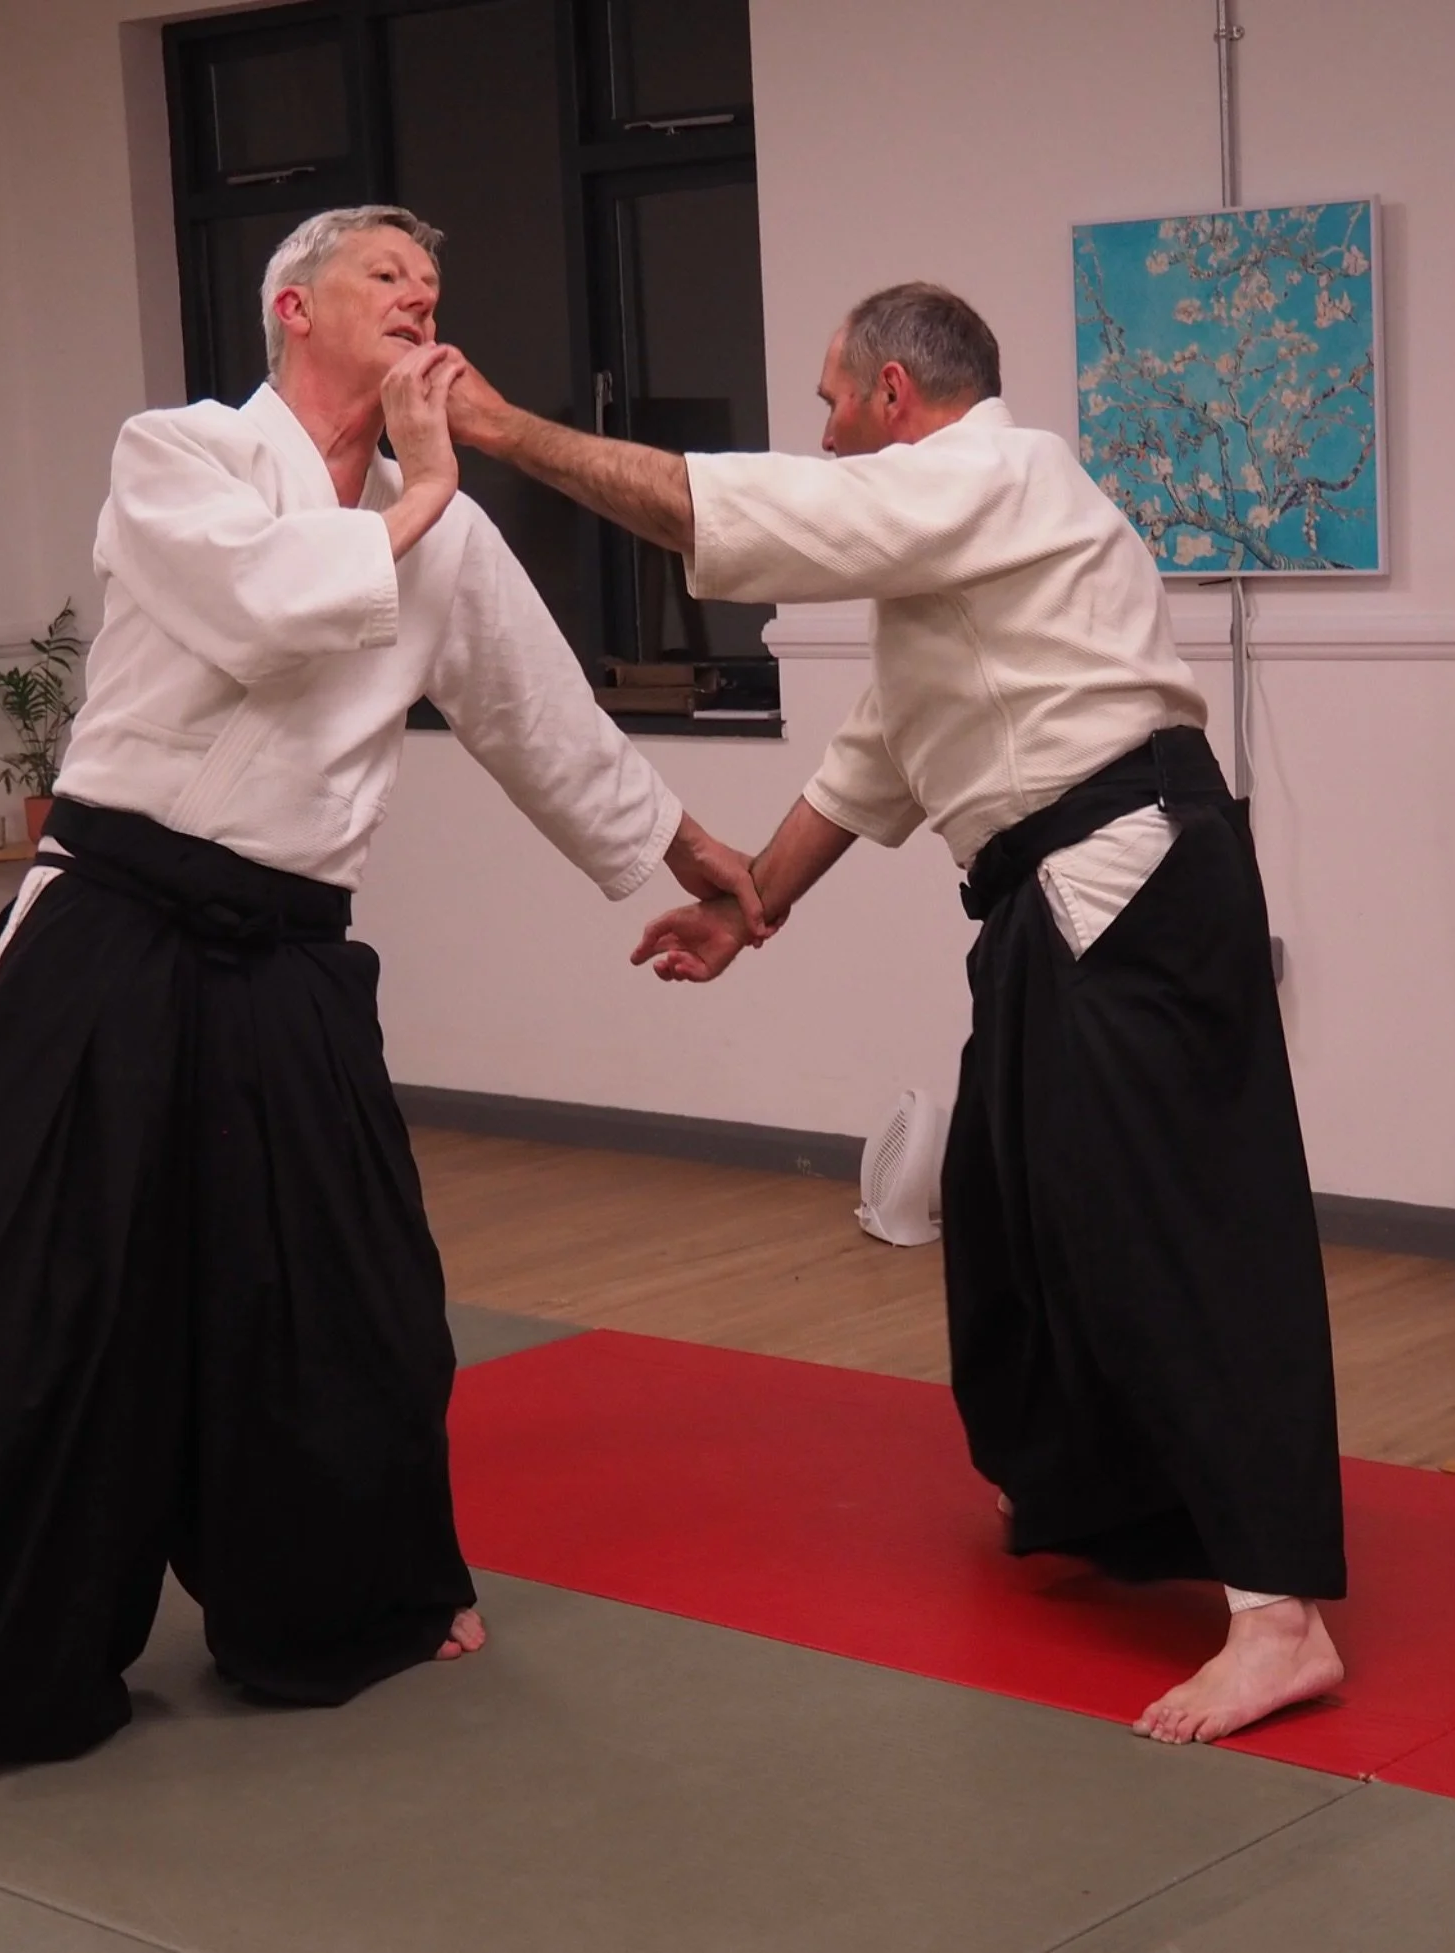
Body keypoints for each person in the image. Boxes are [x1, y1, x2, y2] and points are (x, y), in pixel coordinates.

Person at [0, 204, 763, 1794]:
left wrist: (691, 857)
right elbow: (259, 610)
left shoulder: (442, 533)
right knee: (0, 1298)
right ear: (294, 306)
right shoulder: (178, 454)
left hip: (288, 951)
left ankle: (364, 1595)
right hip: (111, 923)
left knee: (349, 1293)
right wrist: (430, 489)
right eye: (388, 276)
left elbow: (538, 717)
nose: (422, 298)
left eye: (435, 281)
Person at [443, 283, 1348, 1745]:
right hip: (1059, 897)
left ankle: (1279, 1613)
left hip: (1127, 879)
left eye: (827, 400)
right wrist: (748, 906)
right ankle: (1095, 1497)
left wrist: (493, 428)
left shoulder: (998, 472)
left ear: (896, 400)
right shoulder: (954, 557)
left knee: (1170, 1228)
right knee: (1003, 1212)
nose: (820, 427)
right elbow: (882, 756)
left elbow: (715, 516)